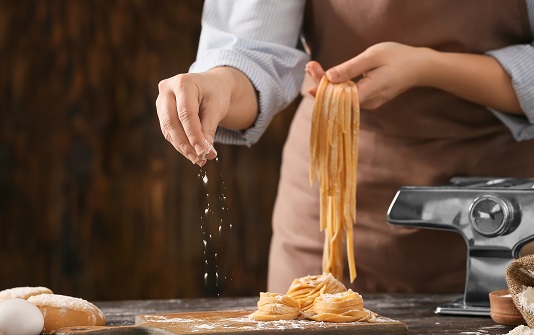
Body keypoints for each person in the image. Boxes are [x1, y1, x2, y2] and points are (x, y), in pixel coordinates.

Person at [156, 0, 534, 294]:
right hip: (330, 187)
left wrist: (426, 66)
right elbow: (252, 53)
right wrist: (218, 85)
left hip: (505, 205)